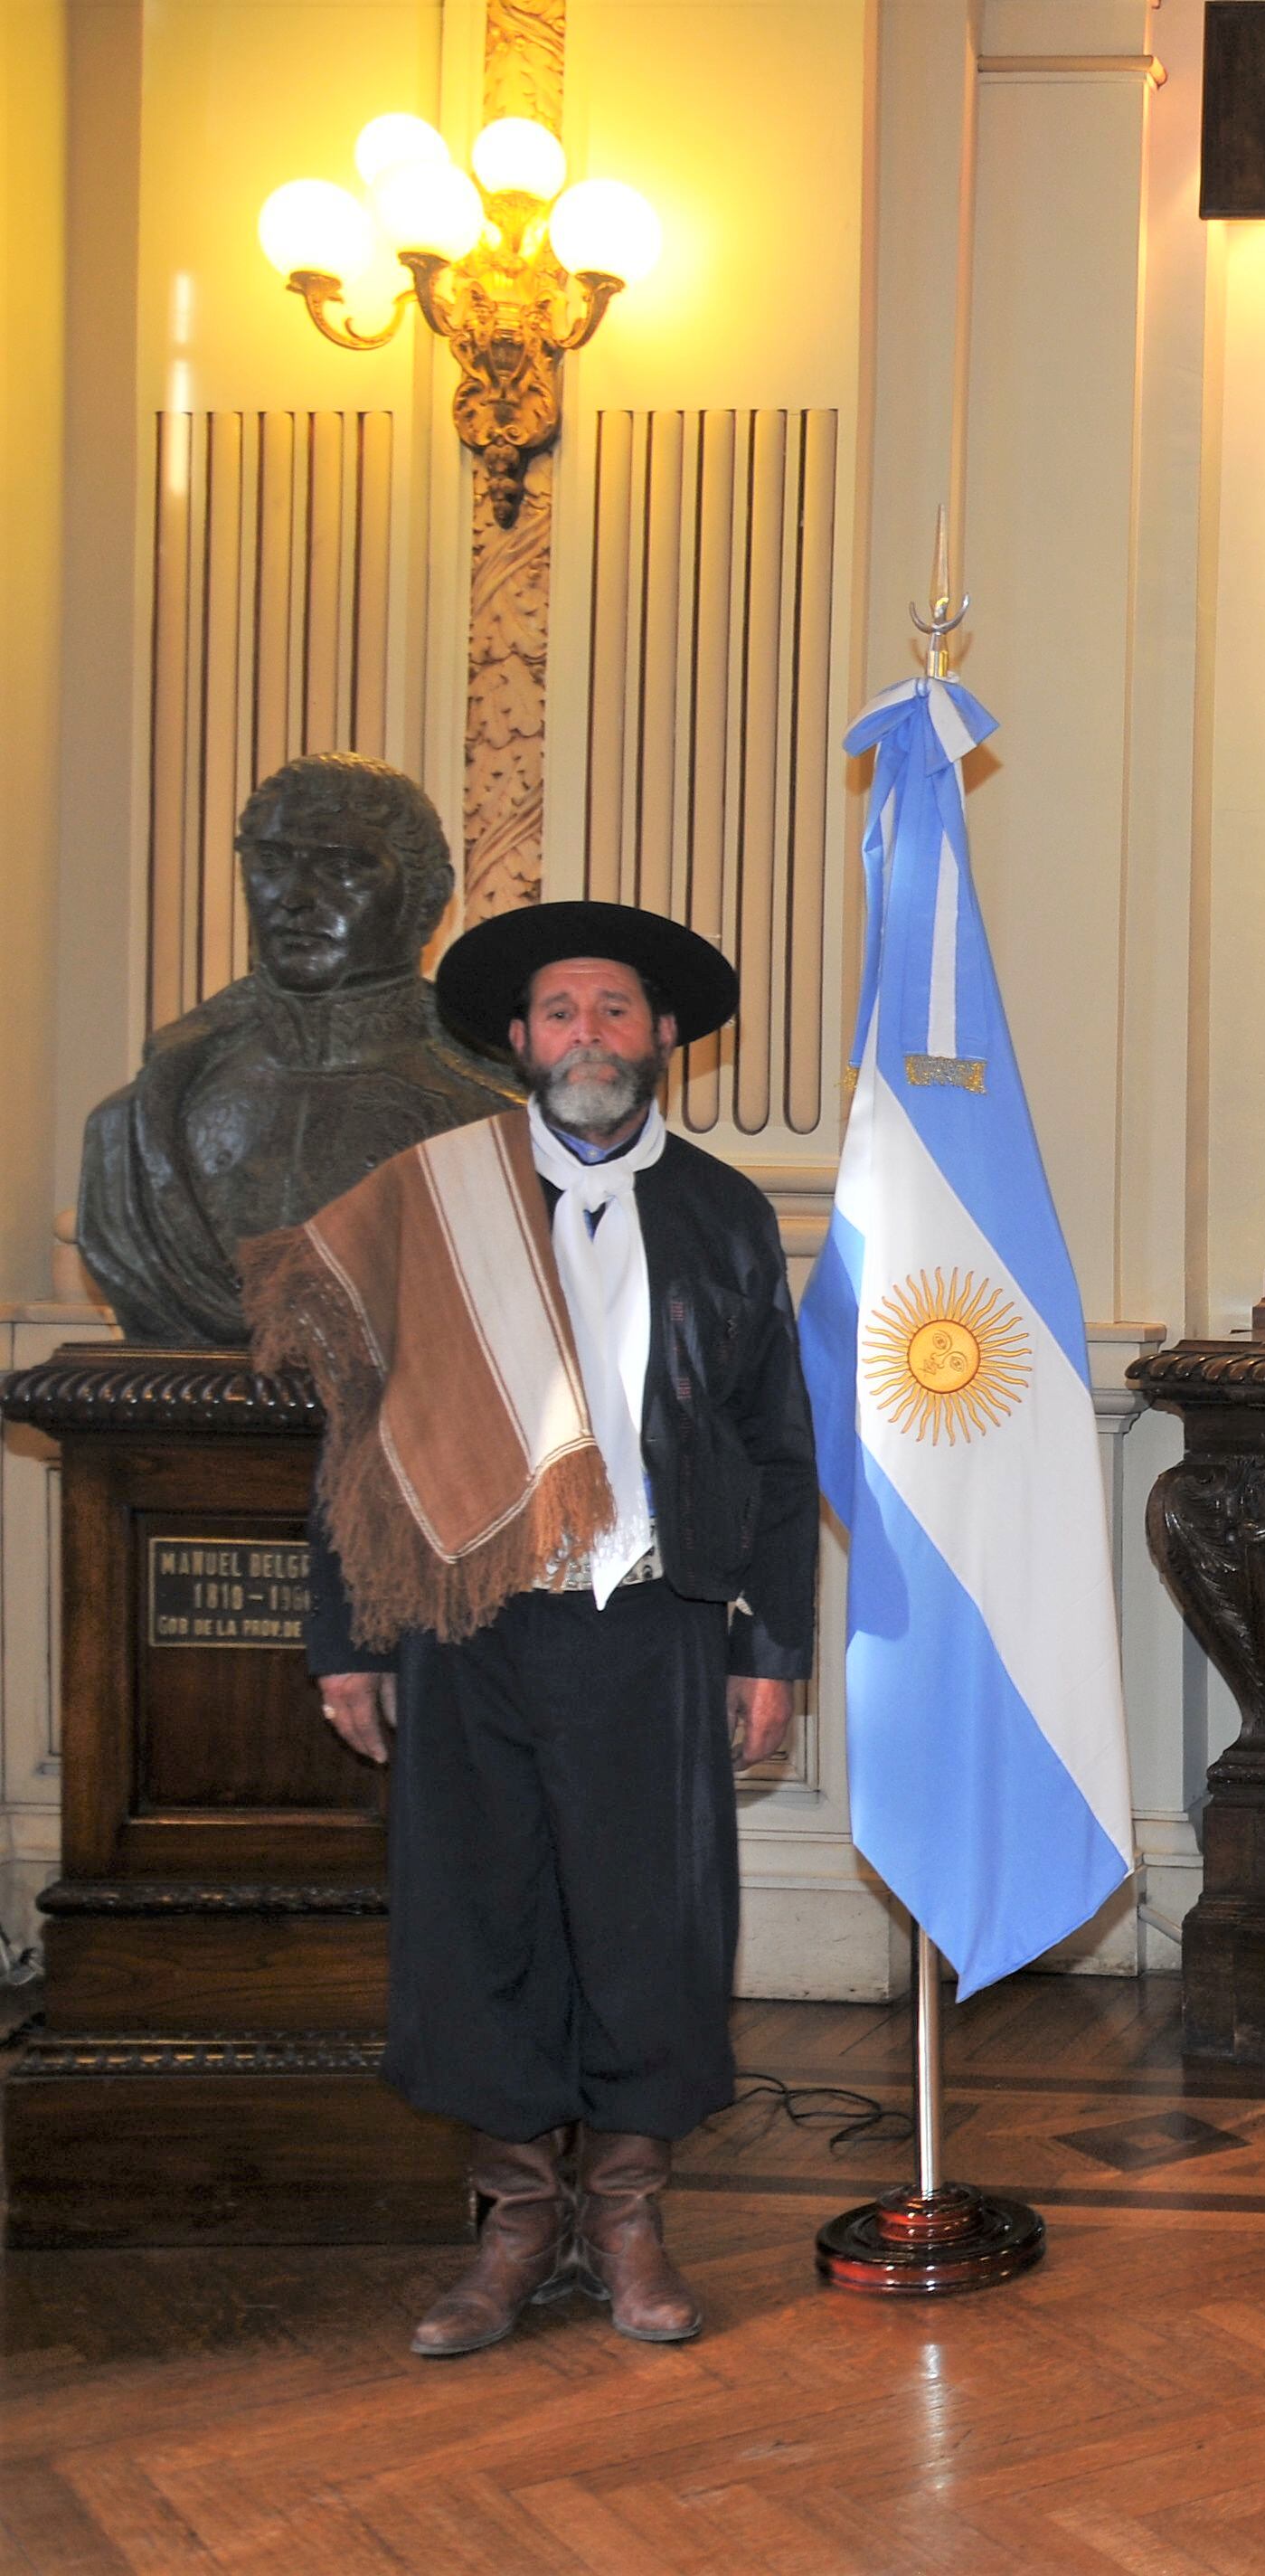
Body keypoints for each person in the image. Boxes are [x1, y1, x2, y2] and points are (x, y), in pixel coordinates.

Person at [241, 902, 817, 2359]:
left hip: (654, 1626)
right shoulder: (432, 1198)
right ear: (518, 1040)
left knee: (649, 1930)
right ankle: (510, 2221)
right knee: (479, 1919)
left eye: (614, 1012)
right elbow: (359, 1442)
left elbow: (776, 1443)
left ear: (664, 1038)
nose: (588, 1038)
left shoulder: (724, 1213)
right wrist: (345, 1636)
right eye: (560, 1013)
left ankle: (624, 2216)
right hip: (470, 1622)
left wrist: (773, 1649)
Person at [77, 754, 515, 1344]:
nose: (296, 897)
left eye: (343, 869)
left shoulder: (499, 1122)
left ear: (429, 899)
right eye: (273, 862)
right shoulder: (128, 1131)